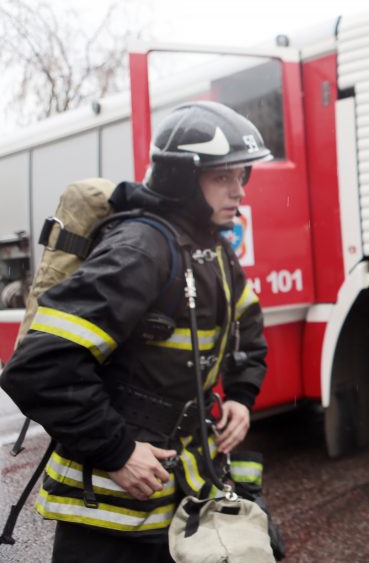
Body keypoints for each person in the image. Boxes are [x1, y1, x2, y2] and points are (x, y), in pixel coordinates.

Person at [0, 101, 271, 563]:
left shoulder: (213, 248)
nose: (239, 190)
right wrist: (118, 451)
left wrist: (243, 396)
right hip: (107, 518)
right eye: (222, 177)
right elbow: (39, 365)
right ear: (183, 180)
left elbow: (246, 327)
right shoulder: (140, 250)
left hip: (175, 496)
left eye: (241, 176)